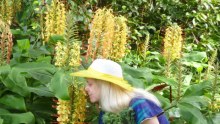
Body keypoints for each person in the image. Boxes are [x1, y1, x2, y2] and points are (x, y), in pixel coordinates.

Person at [71, 59, 170, 124]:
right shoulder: (106, 112)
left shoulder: (140, 105)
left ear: (104, 85)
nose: (86, 88)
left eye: (90, 84)